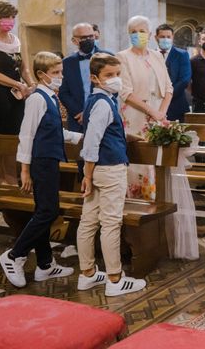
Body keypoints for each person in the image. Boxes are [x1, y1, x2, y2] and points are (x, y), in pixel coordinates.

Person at [0, 52, 81, 288]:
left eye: (61, 72)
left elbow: (56, 132)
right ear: (41, 74)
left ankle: (45, 265)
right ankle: (14, 256)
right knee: (48, 211)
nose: (60, 77)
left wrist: (82, 137)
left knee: (44, 210)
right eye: (55, 73)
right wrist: (24, 170)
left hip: (49, 160)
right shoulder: (37, 99)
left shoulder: (51, 98)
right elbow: (27, 135)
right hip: (40, 162)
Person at [76, 54, 147, 296]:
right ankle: (115, 280)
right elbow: (91, 145)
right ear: (94, 78)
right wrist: (87, 175)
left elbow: (103, 133)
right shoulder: (104, 104)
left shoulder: (98, 100)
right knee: (110, 224)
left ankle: (87, 274)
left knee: (88, 221)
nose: (115, 79)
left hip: (98, 169)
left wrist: (129, 136)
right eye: (109, 75)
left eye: (117, 74)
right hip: (109, 169)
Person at [117, 15, 173, 200]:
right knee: (139, 163)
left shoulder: (157, 56)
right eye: (134, 32)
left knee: (157, 161)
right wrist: (152, 112)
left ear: (149, 34)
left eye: (142, 31)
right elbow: (126, 93)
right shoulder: (123, 57)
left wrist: (161, 113)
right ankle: (137, 203)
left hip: (158, 115)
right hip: (135, 116)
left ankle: (158, 202)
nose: (138, 35)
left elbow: (168, 88)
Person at [0, 1, 36, 185]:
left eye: (13, 17)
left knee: (19, 136)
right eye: (6, 17)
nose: (10, 21)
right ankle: (7, 179)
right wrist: (18, 85)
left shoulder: (16, 40)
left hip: (19, 96)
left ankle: (11, 178)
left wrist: (32, 84)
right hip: (2, 96)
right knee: (7, 137)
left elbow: (24, 69)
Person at [59, 22, 113, 133]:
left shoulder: (108, 57)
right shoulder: (67, 63)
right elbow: (63, 93)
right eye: (84, 37)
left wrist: (90, 112)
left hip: (103, 115)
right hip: (77, 119)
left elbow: (114, 87)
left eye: (91, 36)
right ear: (74, 40)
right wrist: (80, 113)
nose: (88, 39)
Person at [155, 24, 192, 122]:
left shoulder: (182, 54)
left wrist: (166, 96)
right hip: (154, 105)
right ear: (156, 38)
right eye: (162, 37)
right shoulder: (151, 55)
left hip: (176, 104)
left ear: (172, 38)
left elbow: (184, 80)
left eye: (168, 37)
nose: (165, 39)